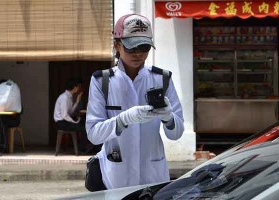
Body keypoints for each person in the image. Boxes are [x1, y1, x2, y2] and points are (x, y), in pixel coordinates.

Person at [86, 14, 184, 190]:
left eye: (144, 47)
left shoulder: (163, 78)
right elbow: (94, 134)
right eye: (131, 48)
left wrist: (169, 118)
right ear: (117, 44)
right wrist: (123, 120)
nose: (138, 53)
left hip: (153, 173)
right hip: (116, 174)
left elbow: (176, 134)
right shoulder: (102, 81)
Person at [53, 79, 92, 153]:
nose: (79, 89)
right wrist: (75, 121)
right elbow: (65, 115)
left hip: (65, 121)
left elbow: (70, 112)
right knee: (83, 128)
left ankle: (85, 147)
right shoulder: (64, 98)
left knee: (84, 124)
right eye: (78, 87)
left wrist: (77, 101)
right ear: (74, 87)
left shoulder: (69, 97)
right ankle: (82, 149)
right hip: (62, 123)